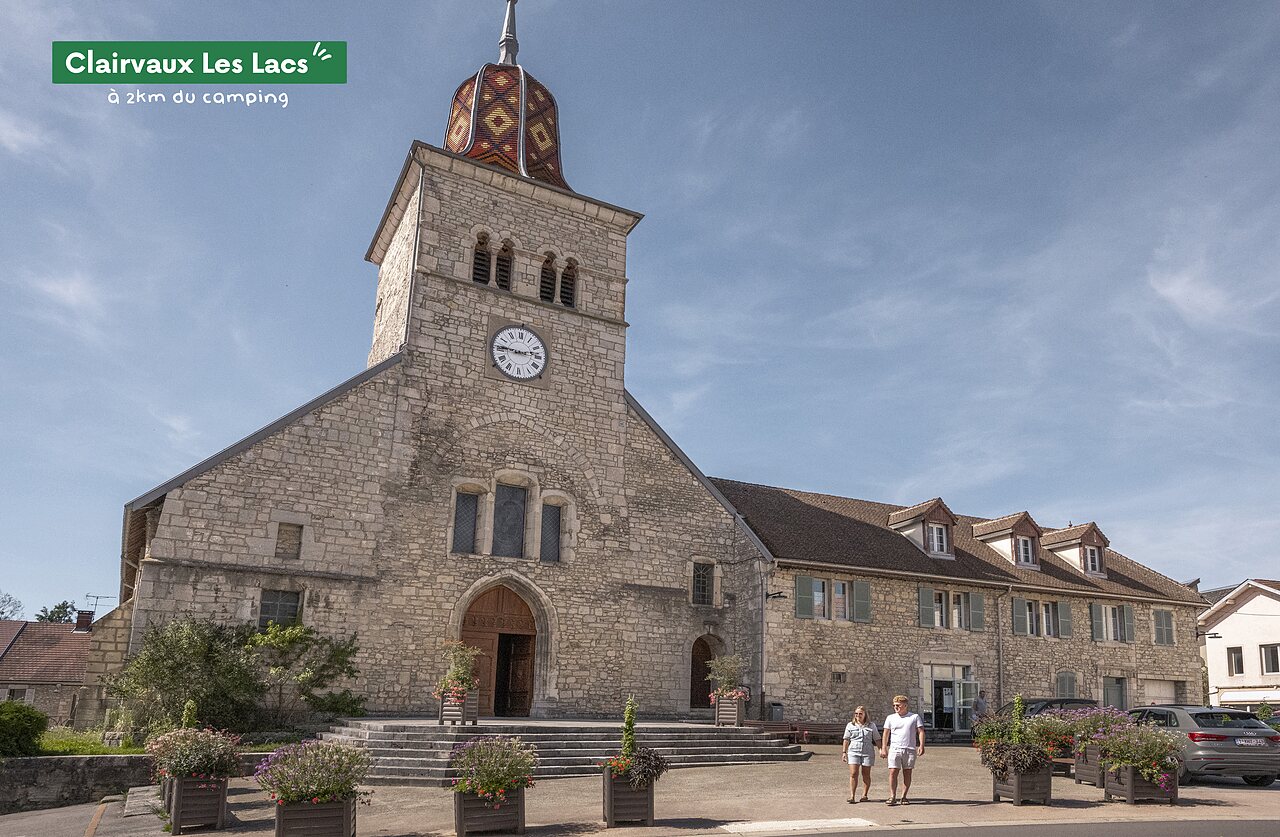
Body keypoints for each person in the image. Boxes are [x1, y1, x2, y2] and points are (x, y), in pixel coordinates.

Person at [879, 694, 925, 805]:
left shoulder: (914, 717)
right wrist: (884, 747)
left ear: (905, 705)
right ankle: (892, 796)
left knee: (907, 773)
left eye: (898, 705)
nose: (896, 707)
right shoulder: (890, 718)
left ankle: (904, 796)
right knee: (893, 772)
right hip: (895, 748)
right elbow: (886, 733)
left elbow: (921, 731)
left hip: (909, 749)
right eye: (894, 705)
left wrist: (921, 745)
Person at [841, 705, 880, 803]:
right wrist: (844, 752)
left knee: (866, 774)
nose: (858, 715)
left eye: (860, 714)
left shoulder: (871, 725)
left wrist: (881, 749)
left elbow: (877, 738)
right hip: (854, 751)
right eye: (856, 713)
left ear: (865, 714)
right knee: (853, 773)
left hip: (867, 752)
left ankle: (864, 795)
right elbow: (846, 739)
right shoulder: (850, 725)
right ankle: (852, 796)